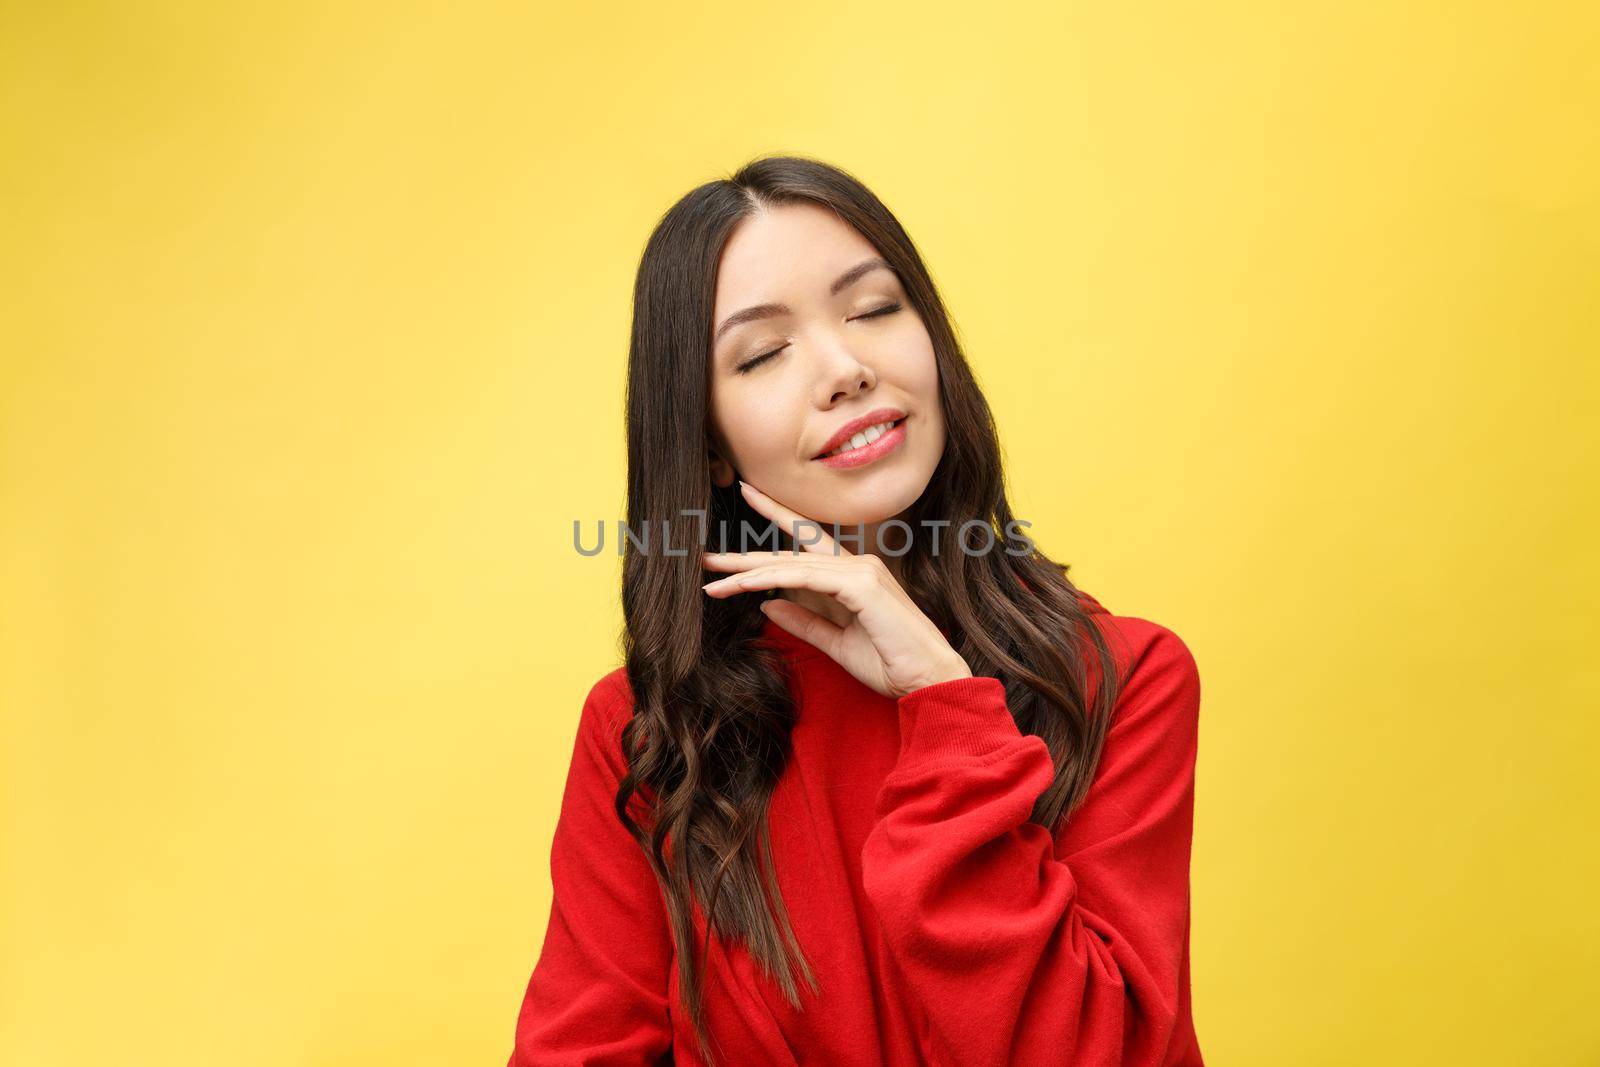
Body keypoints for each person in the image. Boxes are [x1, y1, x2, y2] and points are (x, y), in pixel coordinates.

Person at [506, 155, 1205, 1067]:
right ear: (710, 446)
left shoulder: (1123, 677)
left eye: (875, 309)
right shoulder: (645, 732)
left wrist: (945, 706)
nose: (845, 369)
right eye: (762, 353)